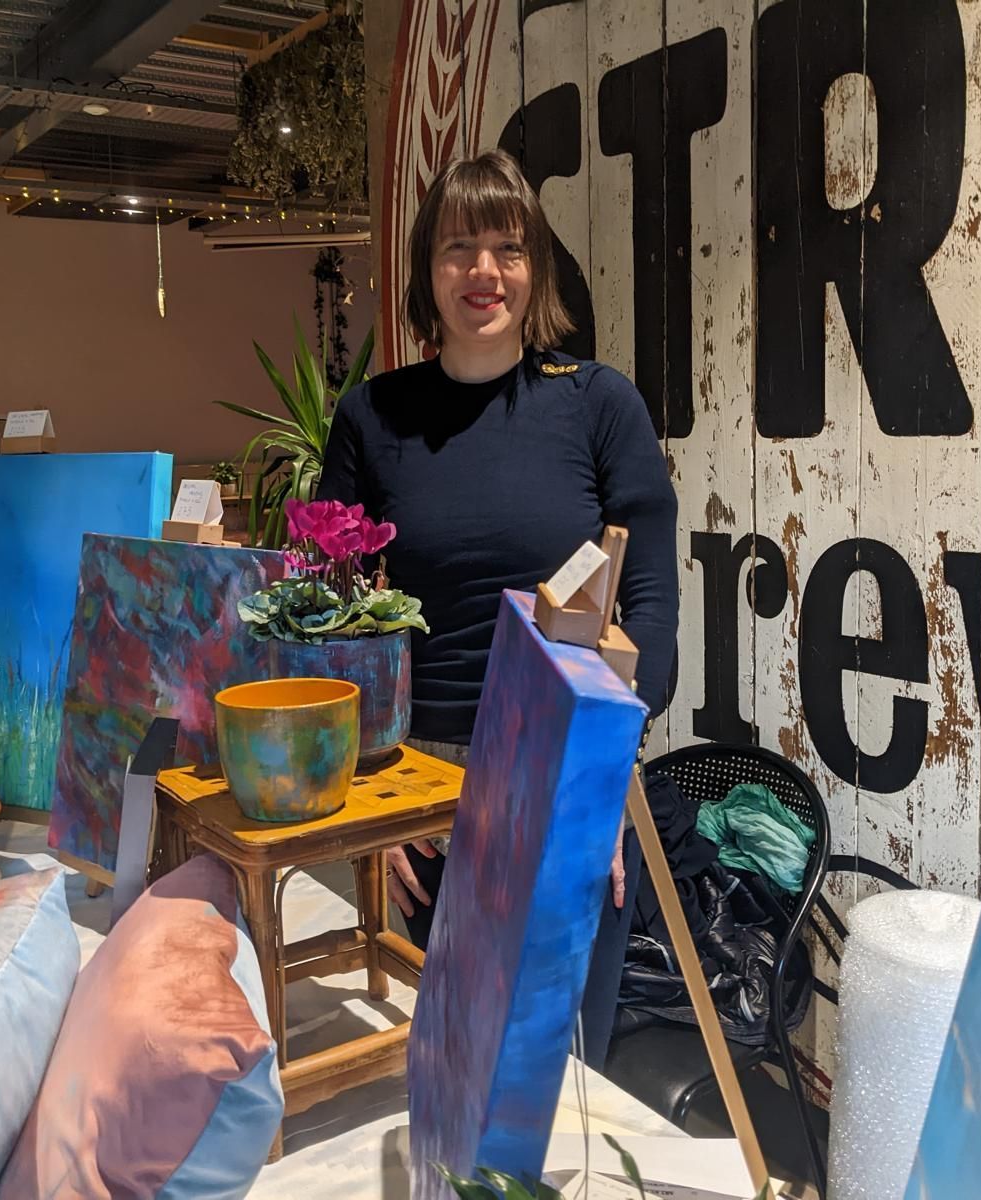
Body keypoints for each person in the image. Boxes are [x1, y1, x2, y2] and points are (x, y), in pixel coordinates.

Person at [317, 149, 678, 1065]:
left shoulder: (600, 407)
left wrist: (598, 767)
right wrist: (361, 787)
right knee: (442, 1067)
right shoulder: (372, 418)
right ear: (425, 271)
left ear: (536, 269)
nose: (484, 272)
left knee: (555, 1076)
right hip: (416, 781)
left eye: (508, 249)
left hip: (563, 765)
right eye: (459, 247)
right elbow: (328, 617)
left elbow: (650, 605)